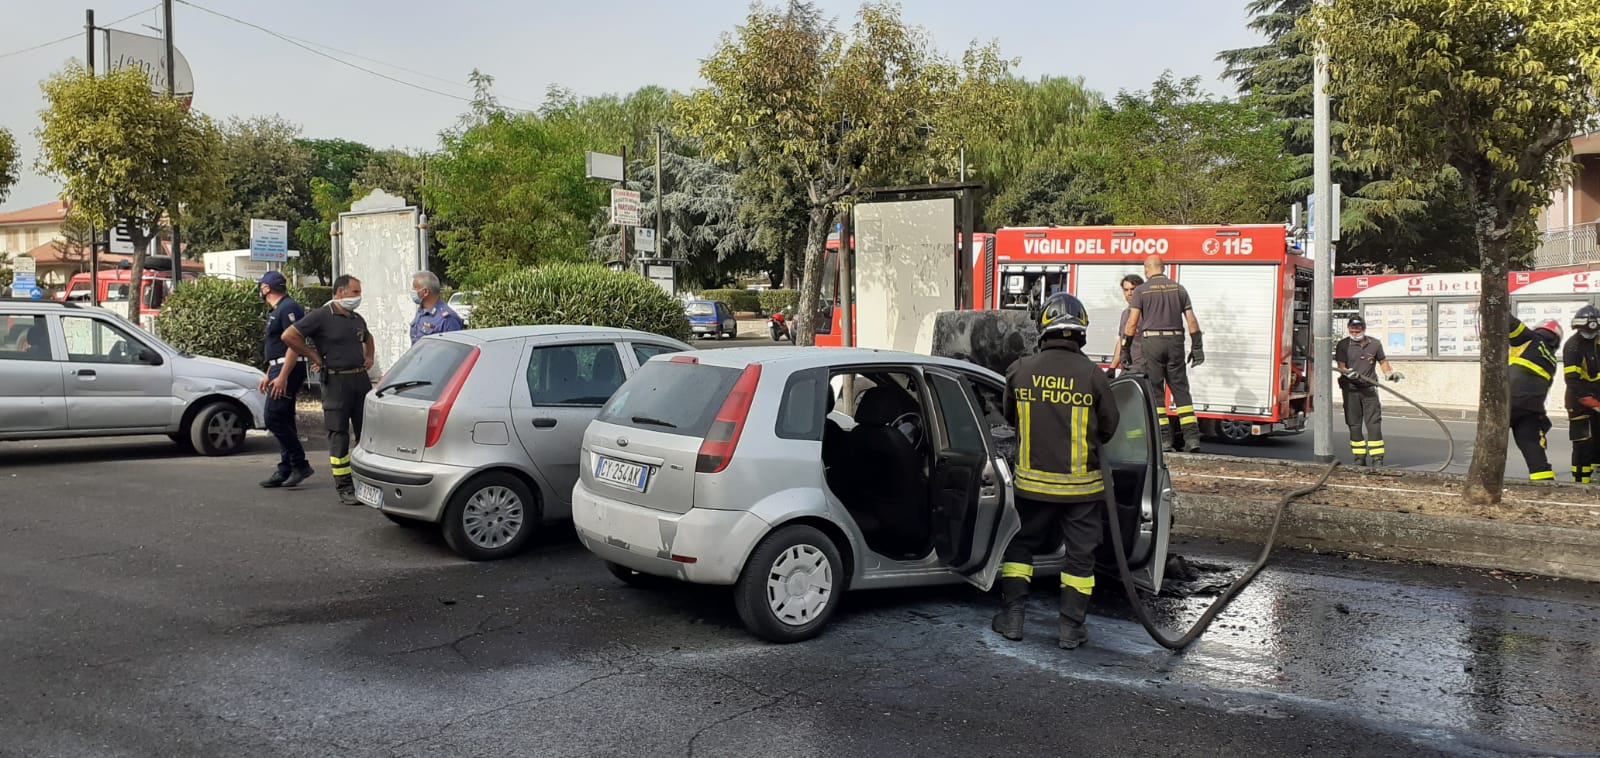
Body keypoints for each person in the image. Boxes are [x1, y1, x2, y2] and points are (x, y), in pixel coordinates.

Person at [992, 292, 1119, 650]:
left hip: (1031, 487)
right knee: (1080, 556)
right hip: (1081, 490)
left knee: (1020, 546)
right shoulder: (1093, 375)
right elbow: (1109, 427)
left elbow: (1010, 417)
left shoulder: (1020, 370)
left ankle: (1013, 619)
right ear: (1081, 333)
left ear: (1043, 329)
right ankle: (1070, 629)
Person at [272, 275, 373, 506]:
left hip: (360, 380)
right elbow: (289, 336)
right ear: (340, 292)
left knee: (366, 433)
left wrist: (369, 356)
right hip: (336, 382)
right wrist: (314, 356)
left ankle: (365, 481)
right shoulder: (322, 316)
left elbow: (368, 338)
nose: (359, 297)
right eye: (355, 292)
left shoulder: (356, 318)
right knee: (339, 434)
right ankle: (344, 486)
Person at [1120, 255, 1203, 452]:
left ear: (1146, 270)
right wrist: (1197, 347)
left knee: (1156, 391)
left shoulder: (1141, 291)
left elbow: (1132, 323)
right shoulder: (1179, 289)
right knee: (1181, 391)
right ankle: (1192, 439)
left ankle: (1164, 440)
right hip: (1176, 342)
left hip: (1152, 343)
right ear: (1163, 268)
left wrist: (1125, 349)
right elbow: (1191, 320)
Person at [255, 271, 312, 489]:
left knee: (273, 417)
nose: (260, 289)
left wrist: (282, 376)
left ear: (266, 288)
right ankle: (285, 468)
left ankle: (300, 464)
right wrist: (269, 372)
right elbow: (278, 347)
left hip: (288, 368)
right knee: (285, 419)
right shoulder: (278, 309)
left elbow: (294, 344)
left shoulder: (288, 308)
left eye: (261, 286)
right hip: (278, 367)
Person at [1334, 316, 1403, 467]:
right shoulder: (1343, 345)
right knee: (1354, 424)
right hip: (1351, 390)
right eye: (1352, 330)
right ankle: (1359, 457)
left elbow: (1383, 361)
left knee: (1374, 424)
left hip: (1369, 389)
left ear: (1364, 329)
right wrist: (1347, 373)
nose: (1355, 333)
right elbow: (1341, 365)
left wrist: (1389, 374)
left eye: (1357, 330)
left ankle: (1377, 458)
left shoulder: (1375, 344)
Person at [1509, 315, 1561, 482]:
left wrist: (1492, 303)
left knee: (1491, 445)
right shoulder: (1552, 360)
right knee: (1534, 452)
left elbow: (1510, 323)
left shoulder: (1530, 338)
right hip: (1532, 409)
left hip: (1507, 401)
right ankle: (1544, 487)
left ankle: (1485, 482)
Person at [1562, 306, 1600, 483]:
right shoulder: (1573, 346)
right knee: (1582, 443)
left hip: (1597, 399)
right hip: (1578, 402)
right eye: (1586, 330)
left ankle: (1595, 479)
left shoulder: (1598, 343)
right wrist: (1591, 402)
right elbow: (1573, 381)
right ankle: (1580, 483)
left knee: (1597, 441)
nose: (1590, 334)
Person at [409, 270, 464, 345]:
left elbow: (453, 349)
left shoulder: (448, 319)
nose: (412, 291)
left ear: (425, 292)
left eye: (415, 288)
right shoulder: (421, 310)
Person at [1107, 274, 1144, 378]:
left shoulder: (1147, 313)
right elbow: (1121, 341)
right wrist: (1112, 367)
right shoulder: (1125, 314)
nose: (1129, 293)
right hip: (1127, 368)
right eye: (1126, 290)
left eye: (1133, 289)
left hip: (1143, 370)